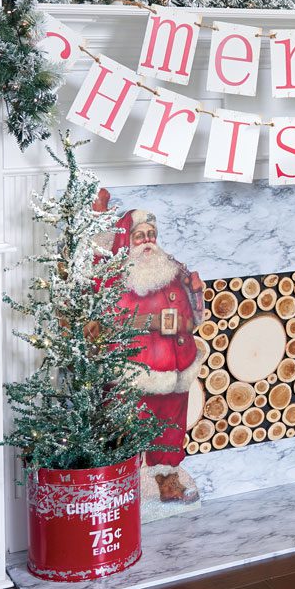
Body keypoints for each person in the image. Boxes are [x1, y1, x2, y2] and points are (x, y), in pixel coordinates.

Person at [105, 206, 208, 505]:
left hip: (177, 365)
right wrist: (156, 322)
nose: (148, 241)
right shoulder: (117, 277)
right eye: (140, 236)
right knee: (131, 424)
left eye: (151, 234)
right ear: (128, 242)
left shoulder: (173, 270)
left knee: (171, 426)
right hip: (138, 368)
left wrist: (194, 295)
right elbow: (110, 320)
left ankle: (168, 480)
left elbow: (195, 318)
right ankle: (126, 484)